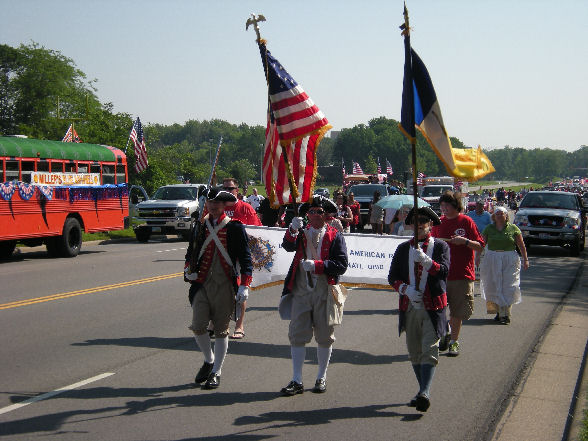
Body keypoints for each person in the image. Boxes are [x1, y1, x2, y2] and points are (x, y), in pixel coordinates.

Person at [184, 187, 253, 389]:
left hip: (224, 284)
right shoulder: (200, 226)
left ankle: (216, 371)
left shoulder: (234, 227)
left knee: (222, 330)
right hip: (202, 283)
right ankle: (209, 359)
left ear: (224, 205)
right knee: (198, 326)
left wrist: (244, 285)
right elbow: (191, 252)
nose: (213, 206)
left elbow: (246, 258)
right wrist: (188, 269)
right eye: (210, 202)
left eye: (217, 203)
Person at [279, 196, 348, 396]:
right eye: (312, 211)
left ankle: (321, 376)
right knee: (297, 334)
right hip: (301, 290)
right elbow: (288, 246)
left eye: (319, 212)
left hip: (325, 290)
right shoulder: (301, 233)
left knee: (325, 336)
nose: (315, 215)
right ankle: (297, 379)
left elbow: (341, 265)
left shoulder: (335, 235)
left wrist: (318, 265)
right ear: (307, 214)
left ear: (326, 215)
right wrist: (292, 229)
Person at [388, 206, 450, 412]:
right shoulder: (402, 249)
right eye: (416, 221)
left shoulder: (440, 246)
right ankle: (423, 390)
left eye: (423, 221)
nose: (419, 225)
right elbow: (392, 277)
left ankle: (424, 392)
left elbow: (444, 272)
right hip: (410, 306)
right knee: (414, 351)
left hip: (433, 307)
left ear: (430, 224)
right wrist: (405, 289)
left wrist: (426, 261)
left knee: (429, 349)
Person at [431, 191, 484, 356]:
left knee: (457, 311)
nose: (444, 208)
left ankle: (454, 342)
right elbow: (430, 246)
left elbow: (480, 246)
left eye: (447, 205)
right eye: (442, 205)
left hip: (461, 274)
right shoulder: (438, 223)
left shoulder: (466, 221)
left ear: (455, 205)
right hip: (441, 274)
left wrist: (465, 241)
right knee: (438, 309)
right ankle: (445, 331)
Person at [221, 178, 261, 339]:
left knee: (240, 292)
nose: (227, 191)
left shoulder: (245, 208)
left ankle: (239, 325)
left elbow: (257, 232)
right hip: (220, 255)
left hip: (239, 258)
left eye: (230, 189)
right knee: (217, 291)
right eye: (224, 188)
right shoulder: (218, 207)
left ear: (237, 191)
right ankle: (217, 323)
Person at [480, 206, 529, 324]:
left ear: (506, 216)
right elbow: (481, 244)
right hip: (492, 258)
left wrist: (525, 259)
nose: (499, 216)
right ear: (494, 216)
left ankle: (505, 314)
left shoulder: (513, 228)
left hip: (509, 259)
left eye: (502, 214)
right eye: (497, 214)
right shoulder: (489, 228)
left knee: (509, 286)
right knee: (494, 284)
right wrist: (476, 257)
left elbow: (521, 245)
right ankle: (500, 312)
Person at [466, 200, 493, 268]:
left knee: (482, 255)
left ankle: (481, 266)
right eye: (477, 206)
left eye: (480, 206)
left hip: (483, 238)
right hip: (472, 237)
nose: (478, 208)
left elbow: (492, 226)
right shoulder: (470, 214)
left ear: (483, 207)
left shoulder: (487, 215)